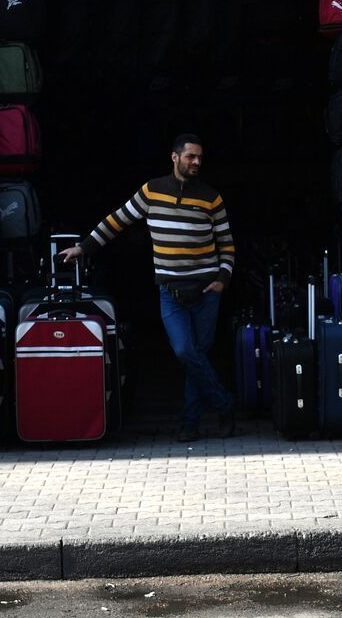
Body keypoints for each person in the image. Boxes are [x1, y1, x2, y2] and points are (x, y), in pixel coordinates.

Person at [60, 133, 236, 443]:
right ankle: (224, 405)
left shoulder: (212, 197)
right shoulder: (152, 191)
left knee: (196, 356)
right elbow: (118, 221)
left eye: (199, 157)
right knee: (185, 351)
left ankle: (189, 424)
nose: (196, 162)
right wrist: (84, 247)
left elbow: (227, 245)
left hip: (207, 292)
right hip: (170, 293)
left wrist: (222, 279)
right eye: (190, 156)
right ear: (174, 157)